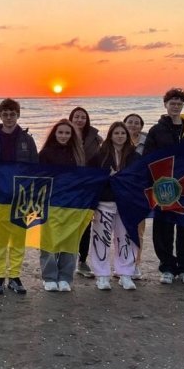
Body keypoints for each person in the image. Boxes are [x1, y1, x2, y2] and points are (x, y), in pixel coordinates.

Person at [143, 88, 184, 285]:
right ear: (165, 105)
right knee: (163, 228)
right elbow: (148, 157)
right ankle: (167, 267)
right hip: (163, 186)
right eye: (172, 103)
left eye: (179, 104)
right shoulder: (156, 130)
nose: (176, 107)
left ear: (183, 106)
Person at [0, 98, 38, 295]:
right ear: (0, 115)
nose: (9, 118)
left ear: (18, 115)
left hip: (20, 197)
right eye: (5, 114)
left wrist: (32, 195)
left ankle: (15, 276)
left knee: (18, 239)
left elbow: (34, 168)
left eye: (12, 114)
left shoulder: (27, 139)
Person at [88, 122, 141, 290]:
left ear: (127, 136)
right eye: (116, 133)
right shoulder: (100, 155)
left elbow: (139, 177)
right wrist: (107, 176)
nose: (120, 136)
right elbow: (91, 178)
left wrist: (121, 177)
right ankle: (102, 276)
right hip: (105, 202)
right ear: (110, 135)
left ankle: (125, 274)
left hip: (126, 204)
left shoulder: (134, 156)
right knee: (101, 239)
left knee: (126, 238)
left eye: (123, 133)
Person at [38, 119, 85, 292]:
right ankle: (49, 277)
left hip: (73, 203)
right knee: (49, 240)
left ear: (72, 135)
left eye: (67, 133)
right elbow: (39, 177)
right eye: (60, 132)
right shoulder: (45, 153)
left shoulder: (78, 154)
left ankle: (65, 277)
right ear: (55, 134)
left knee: (70, 240)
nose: (64, 136)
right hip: (51, 201)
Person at [69, 106, 102, 279]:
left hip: (89, 187)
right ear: (71, 118)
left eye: (83, 117)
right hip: (69, 187)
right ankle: (65, 259)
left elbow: (101, 160)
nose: (79, 120)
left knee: (85, 224)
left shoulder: (95, 138)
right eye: (76, 117)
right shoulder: (64, 134)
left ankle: (82, 260)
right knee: (67, 223)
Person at [123, 113, 147, 277]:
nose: (133, 125)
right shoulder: (117, 140)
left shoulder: (148, 143)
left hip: (140, 191)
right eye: (130, 122)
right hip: (121, 190)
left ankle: (135, 263)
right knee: (121, 230)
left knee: (138, 230)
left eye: (137, 123)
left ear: (141, 126)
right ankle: (122, 263)